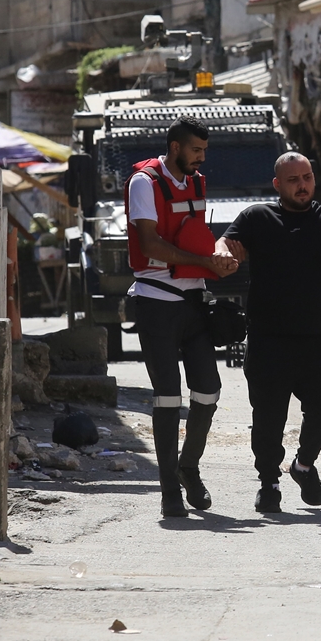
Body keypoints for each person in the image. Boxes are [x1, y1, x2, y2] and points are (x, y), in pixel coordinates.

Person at [217, 153, 321, 514]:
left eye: (308, 177)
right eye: (294, 179)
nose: (302, 185)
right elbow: (225, 241)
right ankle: (269, 482)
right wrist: (223, 253)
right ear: (277, 185)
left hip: (315, 338)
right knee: (268, 418)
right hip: (268, 339)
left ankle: (304, 465)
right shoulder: (258, 217)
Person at [125, 115, 238, 518]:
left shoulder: (196, 182)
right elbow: (150, 241)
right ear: (176, 147)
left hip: (193, 302)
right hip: (156, 302)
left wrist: (218, 261)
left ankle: (188, 467)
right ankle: (169, 488)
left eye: (204, 151)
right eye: (196, 150)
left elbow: (197, 237)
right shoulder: (145, 183)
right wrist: (204, 260)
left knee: (208, 390)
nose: (201, 158)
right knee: (168, 398)